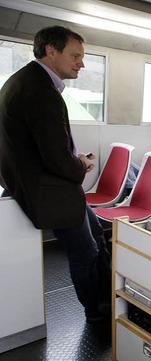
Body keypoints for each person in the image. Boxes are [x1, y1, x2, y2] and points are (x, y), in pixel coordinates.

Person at [0, 26, 111, 323]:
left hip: (48, 182)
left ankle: (106, 297)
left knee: (99, 235)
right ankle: (97, 313)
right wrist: (82, 166)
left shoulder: (23, 82)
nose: (82, 63)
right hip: (51, 189)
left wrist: (70, 162)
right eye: (75, 56)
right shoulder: (40, 91)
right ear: (51, 50)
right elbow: (56, 159)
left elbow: (44, 146)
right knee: (85, 252)